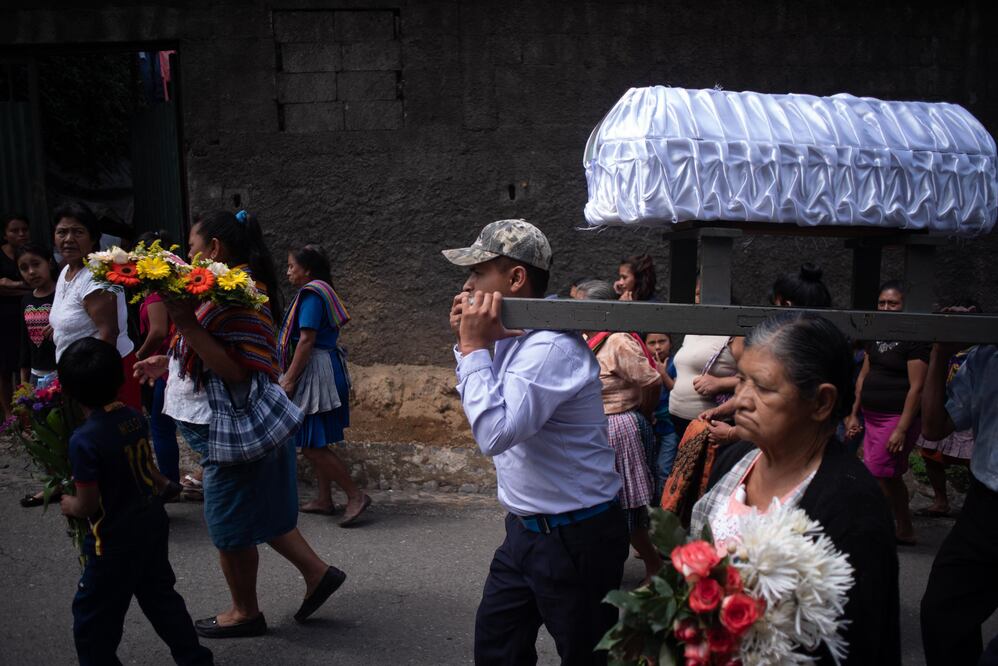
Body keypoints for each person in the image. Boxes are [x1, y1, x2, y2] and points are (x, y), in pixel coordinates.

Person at [134, 210, 346, 638]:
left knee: (229, 525)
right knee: (261, 513)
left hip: (228, 434)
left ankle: (244, 612)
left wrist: (187, 325)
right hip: (228, 428)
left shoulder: (238, 294)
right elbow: (209, 351)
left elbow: (236, 370)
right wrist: (171, 361)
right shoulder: (217, 290)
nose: (187, 256)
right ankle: (317, 573)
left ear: (214, 249)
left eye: (192, 247)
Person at [444, 219, 628, 665]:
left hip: (576, 537)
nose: (467, 284)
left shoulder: (550, 347)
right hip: (526, 532)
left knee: (586, 656)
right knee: (497, 650)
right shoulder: (512, 338)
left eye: (478, 272)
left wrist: (471, 350)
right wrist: (470, 347)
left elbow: (494, 433)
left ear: (515, 278)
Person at [690, 311, 900, 664]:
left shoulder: (852, 510)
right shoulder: (737, 459)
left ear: (821, 402)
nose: (742, 399)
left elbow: (858, 643)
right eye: (741, 380)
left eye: (764, 387)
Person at [57, 337, 213, 666]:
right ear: (119, 379)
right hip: (150, 524)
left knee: (94, 620)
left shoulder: (83, 440)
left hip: (112, 539)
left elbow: (87, 504)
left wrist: (68, 504)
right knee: (162, 599)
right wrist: (168, 486)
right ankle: (194, 658)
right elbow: (147, 468)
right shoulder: (132, 416)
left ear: (68, 392)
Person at [920, 306, 998, 666]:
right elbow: (935, 427)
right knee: (943, 611)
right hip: (988, 502)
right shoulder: (987, 357)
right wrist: (940, 351)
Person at [574, 279, 663, 582]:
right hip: (594, 428)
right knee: (596, 504)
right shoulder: (586, 338)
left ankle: (653, 566)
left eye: (578, 303)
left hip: (618, 427)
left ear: (599, 309)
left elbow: (651, 381)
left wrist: (643, 413)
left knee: (626, 503)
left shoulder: (617, 341)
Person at [278, 243, 371, 526]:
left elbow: (306, 341)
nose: (288, 272)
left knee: (310, 446)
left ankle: (355, 495)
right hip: (325, 368)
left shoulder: (311, 296)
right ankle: (324, 498)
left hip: (317, 373)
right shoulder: (320, 292)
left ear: (306, 270)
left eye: (292, 266)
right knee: (316, 439)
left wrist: (289, 379)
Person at [844, 280, 928, 545]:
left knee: (879, 473)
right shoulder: (876, 334)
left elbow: (917, 388)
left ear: (905, 307)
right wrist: (853, 414)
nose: (886, 307)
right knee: (888, 476)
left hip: (896, 418)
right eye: (882, 303)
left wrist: (902, 429)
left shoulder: (915, 340)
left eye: (893, 303)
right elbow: (863, 377)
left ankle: (878, 525)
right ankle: (903, 527)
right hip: (871, 416)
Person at [49, 202, 142, 410]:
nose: (68, 239)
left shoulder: (96, 278)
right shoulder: (66, 271)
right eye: (62, 232)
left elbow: (108, 335)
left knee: (109, 438)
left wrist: (99, 393)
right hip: (78, 375)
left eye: (78, 232)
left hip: (103, 380)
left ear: (93, 239)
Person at [134, 230, 180, 485]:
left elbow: (158, 330)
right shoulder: (167, 288)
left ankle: (169, 480)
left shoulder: (156, 293)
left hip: (164, 367)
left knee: (162, 427)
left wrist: (138, 354)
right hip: (167, 365)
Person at [15, 242, 59, 508]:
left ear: (49, 263)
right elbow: (24, 345)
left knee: (65, 429)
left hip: (60, 373)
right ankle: (53, 484)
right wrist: (23, 384)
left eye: (36, 264)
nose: (31, 272)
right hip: (36, 374)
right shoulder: (27, 300)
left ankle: (75, 483)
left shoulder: (61, 296)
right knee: (42, 433)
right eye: (24, 268)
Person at [0, 213, 32, 419]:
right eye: (14, 230)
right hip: (4, 317)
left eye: (24, 229)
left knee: (25, 364)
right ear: (5, 233)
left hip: (28, 314)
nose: (20, 234)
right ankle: (8, 414)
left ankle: (27, 412)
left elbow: (42, 284)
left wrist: (10, 285)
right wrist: (26, 287)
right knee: (4, 368)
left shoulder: (30, 253)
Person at [643, 332, 678, 495]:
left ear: (670, 343)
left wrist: (662, 373)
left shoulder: (676, 363)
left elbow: (676, 389)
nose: (657, 347)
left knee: (664, 468)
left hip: (670, 426)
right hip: (650, 425)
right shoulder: (642, 364)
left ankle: (663, 511)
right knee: (650, 467)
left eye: (662, 341)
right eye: (652, 343)